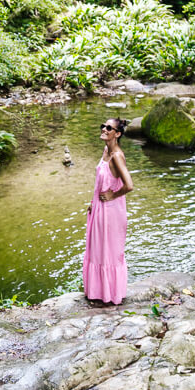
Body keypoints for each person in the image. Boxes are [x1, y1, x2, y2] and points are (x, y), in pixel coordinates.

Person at [82, 116, 134, 305]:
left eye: (109, 128)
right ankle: (97, 291)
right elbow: (101, 180)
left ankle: (110, 294)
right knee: (97, 250)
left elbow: (129, 185)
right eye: (103, 125)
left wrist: (113, 195)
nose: (104, 129)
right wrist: (92, 201)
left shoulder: (117, 156)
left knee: (109, 252)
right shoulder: (106, 150)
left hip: (111, 212)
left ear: (117, 134)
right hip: (99, 208)